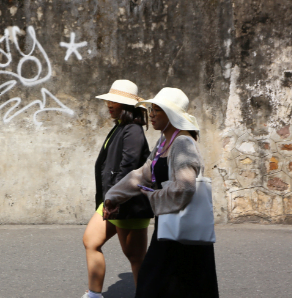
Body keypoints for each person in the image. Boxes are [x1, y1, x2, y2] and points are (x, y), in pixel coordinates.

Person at [103, 87, 219, 298]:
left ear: (172, 114)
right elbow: (142, 174)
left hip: (183, 233)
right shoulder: (164, 142)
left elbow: (185, 187)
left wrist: (152, 197)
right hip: (170, 228)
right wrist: (113, 196)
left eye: (158, 109)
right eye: (151, 109)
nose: (152, 114)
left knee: (158, 285)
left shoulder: (182, 143)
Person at [81, 80, 153, 298]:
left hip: (127, 203)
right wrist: (108, 198)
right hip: (112, 200)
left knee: (135, 257)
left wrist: (115, 199)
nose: (109, 104)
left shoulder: (133, 130)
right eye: (109, 100)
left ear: (127, 105)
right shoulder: (120, 127)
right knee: (91, 241)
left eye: (115, 101)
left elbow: (128, 167)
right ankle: (94, 295)